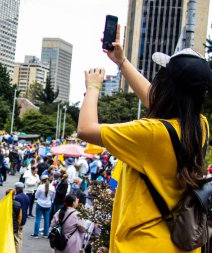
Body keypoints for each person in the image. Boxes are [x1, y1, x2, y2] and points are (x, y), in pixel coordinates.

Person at [77, 24, 212, 252]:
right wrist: (121, 62)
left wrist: (92, 87)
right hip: (178, 243)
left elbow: (86, 129)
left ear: (167, 87)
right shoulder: (200, 126)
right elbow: (158, 101)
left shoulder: (151, 133)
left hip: (141, 244)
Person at [31, 175, 55, 239]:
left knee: (38, 219)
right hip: (48, 204)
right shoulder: (52, 187)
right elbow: (53, 198)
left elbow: (36, 196)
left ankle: (36, 234)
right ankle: (45, 234)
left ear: (42, 180)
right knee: (47, 219)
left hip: (40, 203)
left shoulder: (40, 187)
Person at [14, 182, 29, 252]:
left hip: (18, 220)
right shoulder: (26, 197)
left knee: (17, 239)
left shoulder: (17, 198)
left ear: (17, 189)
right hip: (23, 220)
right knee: (20, 237)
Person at [5, 189, 22, 253]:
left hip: (5, 227)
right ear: (13, 195)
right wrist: (18, 225)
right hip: (14, 226)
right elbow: (19, 217)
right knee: (16, 242)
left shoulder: (2, 204)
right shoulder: (18, 204)